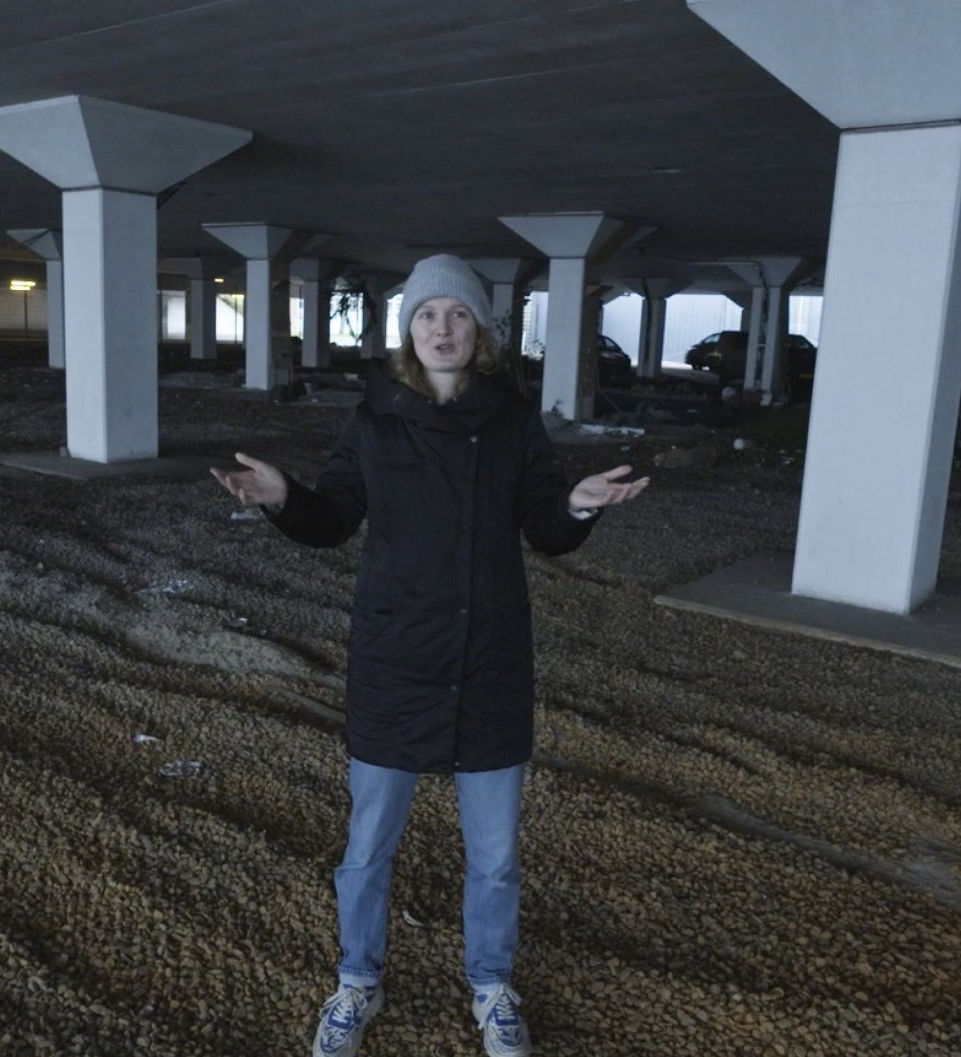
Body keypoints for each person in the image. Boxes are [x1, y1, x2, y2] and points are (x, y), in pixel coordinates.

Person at [210, 255, 647, 1057]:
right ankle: (356, 981)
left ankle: (490, 984)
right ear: (407, 331)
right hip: (395, 656)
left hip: (489, 659)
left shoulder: (516, 423)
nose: (441, 328)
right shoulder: (374, 420)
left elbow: (546, 528)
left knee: (497, 856)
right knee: (367, 846)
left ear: (480, 331)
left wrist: (579, 505)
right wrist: (282, 499)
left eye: (456, 314)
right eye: (425, 315)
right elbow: (334, 517)